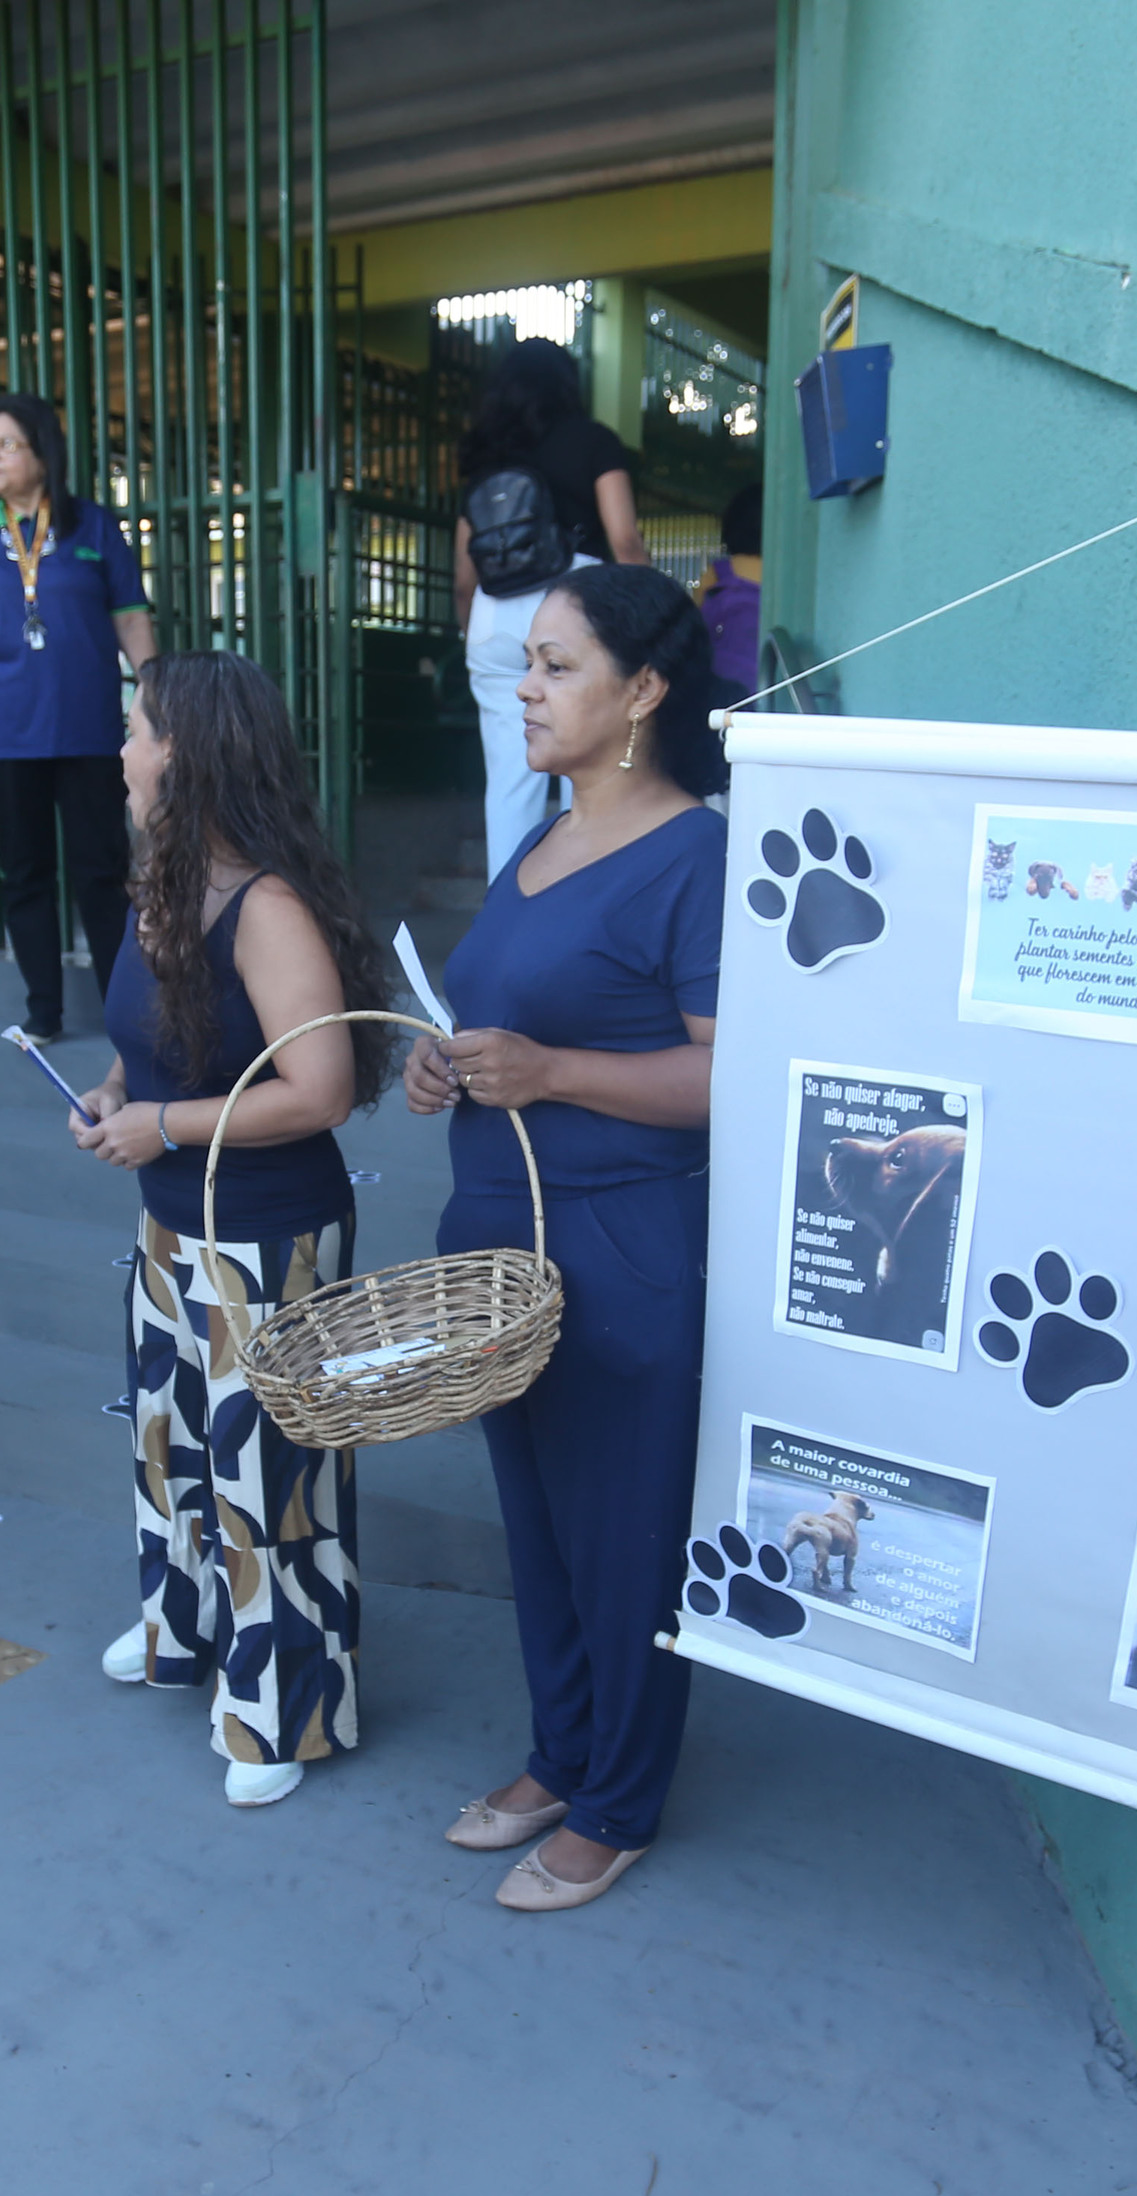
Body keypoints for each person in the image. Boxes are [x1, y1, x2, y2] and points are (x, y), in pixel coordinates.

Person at [405, 565, 723, 1912]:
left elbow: (729, 1077)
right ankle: (560, 1750)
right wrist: (446, 1069)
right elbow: (506, 1021)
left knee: (620, 1535)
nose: (523, 688)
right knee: (536, 1526)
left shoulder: (696, 851)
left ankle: (618, 1800)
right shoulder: (535, 838)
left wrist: (550, 1072)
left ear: (641, 691)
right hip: (497, 1237)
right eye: (524, 662)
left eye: (555, 666)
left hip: (618, 1244)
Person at [72, 652, 393, 1806]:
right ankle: (186, 1632)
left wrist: (161, 1122)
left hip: (270, 1232)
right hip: (174, 1222)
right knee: (168, 1447)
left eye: (135, 730)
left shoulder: (267, 903)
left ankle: (286, 1711)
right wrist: (117, 1091)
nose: (120, 749)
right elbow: (158, 1032)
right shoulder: (162, 881)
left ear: (185, 753)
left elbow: (319, 1087)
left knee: (272, 1479)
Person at [0, 391, 160, 1043]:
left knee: (102, 873)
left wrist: (155, 700)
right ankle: (43, 1012)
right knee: (24, 874)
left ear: (41, 453)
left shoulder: (92, 527)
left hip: (87, 730)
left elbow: (131, 617)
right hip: (4, 734)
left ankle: (120, 1012)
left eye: (4, 444)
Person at [452, 338, 650, 873]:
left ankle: (505, 924)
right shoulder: (594, 443)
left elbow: (464, 579)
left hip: (494, 620)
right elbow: (625, 541)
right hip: (575, 611)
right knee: (583, 773)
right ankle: (576, 912)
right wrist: (648, 621)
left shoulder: (484, 461)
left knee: (509, 786)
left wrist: (477, 637)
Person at [696, 485, 763, 701]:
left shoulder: (718, 572)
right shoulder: (787, 572)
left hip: (718, 689)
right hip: (768, 684)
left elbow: (693, 626)